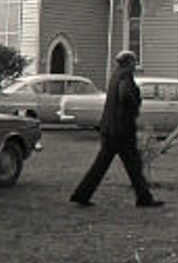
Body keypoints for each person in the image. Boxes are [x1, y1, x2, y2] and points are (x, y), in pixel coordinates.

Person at [70, 50, 164, 208]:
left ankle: (82, 194)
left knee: (101, 166)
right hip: (122, 130)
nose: (135, 64)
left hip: (109, 128)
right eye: (134, 61)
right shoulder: (125, 76)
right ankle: (144, 198)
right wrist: (134, 107)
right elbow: (126, 95)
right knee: (133, 166)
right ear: (128, 62)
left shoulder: (115, 75)